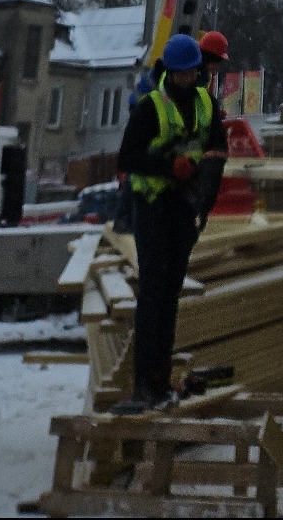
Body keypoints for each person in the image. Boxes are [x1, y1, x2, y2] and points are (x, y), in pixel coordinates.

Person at [112, 32, 228, 412]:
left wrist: (205, 198)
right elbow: (127, 157)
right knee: (153, 292)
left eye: (191, 72)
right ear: (170, 71)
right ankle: (145, 385)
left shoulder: (206, 103)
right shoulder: (151, 107)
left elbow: (217, 149)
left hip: (182, 207)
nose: (186, 78)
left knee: (171, 293)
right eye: (180, 73)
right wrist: (168, 166)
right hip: (151, 205)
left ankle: (161, 381)